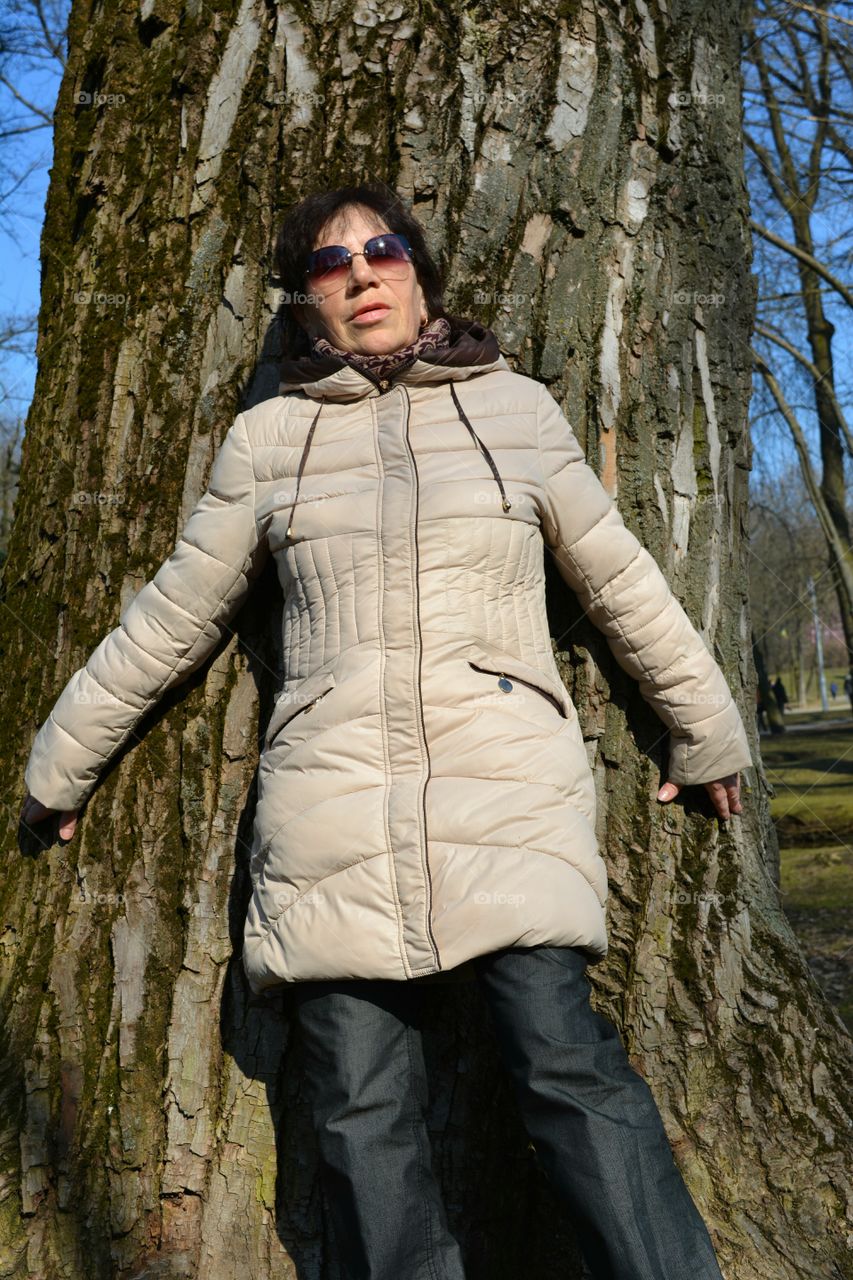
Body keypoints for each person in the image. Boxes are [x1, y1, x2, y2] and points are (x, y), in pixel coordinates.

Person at [20, 183, 752, 1279]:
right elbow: (175, 615)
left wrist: (706, 730)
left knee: (567, 1069)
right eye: (328, 265)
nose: (360, 275)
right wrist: (62, 761)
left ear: (419, 273)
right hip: (331, 808)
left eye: (381, 250)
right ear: (306, 304)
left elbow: (620, 580)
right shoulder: (269, 439)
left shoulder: (514, 410)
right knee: (361, 1110)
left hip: (505, 789)